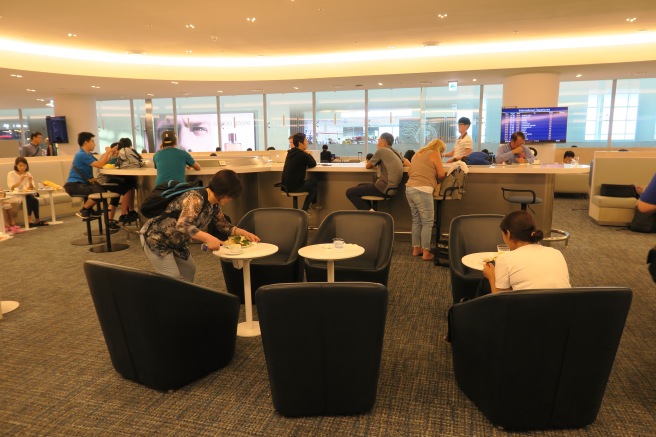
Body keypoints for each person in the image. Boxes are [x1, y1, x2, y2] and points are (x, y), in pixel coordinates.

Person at [140, 169, 260, 282]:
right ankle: (167, 301)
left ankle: (181, 300)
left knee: (189, 270)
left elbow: (224, 225)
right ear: (225, 192)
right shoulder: (195, 198)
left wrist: (244, 233)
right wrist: (209, 238)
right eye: (231, 196)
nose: (231, 199)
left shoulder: (214, 205)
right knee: (172, 277)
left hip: (177, 241)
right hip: (156, 238)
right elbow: (183, 225)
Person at [482, 210, 570, 294]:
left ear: (508, 234)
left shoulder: (505, 259)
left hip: (529, 308)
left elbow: (499, 301)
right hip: (565, 307)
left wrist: (491, 276)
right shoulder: (556, 253)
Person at [63, 132, 119, 220]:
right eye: (92, 141)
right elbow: (100, 165)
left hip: (82, 184)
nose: (94, 144)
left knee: (102, 188)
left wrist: (110, 153)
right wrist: (107, 152)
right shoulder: (80, 154)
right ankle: (84, 210)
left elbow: (103, 163)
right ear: (86, 142)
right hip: (74, 185)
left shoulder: (88, 154)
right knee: (100, 191)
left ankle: (89, 210)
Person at [405, 139, 446, 261]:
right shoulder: (434, 153)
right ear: (439, 149)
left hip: (409, 188)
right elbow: (441, 173)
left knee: (416, 221)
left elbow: (410, 173)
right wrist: (436, 181)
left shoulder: (418, 153)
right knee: (427, 222)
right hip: (423, 189)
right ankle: (426, 252)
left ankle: (416, 249)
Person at [346, 132, 408, 210]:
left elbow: (368, 166)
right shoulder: (396, 152)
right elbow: (408, 163)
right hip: (392, 189)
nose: (377, 144)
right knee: (360, 186)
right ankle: (370, 210)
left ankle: (371, 215)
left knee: (349, 192)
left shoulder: (381, 150)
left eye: (378, 141)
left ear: (384, 142)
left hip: (383, 188)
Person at [280, 132, 319, 211]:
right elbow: (313, 164)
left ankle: (308, 208)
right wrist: (308, 153)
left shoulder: (290, 152)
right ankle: (306, 209)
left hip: (285, 186)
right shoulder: (302, 154)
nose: (307, 143)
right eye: (306, 141)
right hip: (294, 187)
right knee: (314, 181)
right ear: (300, 143)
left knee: (313, 188)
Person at [7, 157, 47, 227]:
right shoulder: (11, 174)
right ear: (16, 165)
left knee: (35, 200)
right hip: (16, 196)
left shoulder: (28, 174)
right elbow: (11, 187)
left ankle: (37, 219)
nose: (22, 167)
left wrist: (30, 181)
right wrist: (20, 180)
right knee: (30, 198)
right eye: (20, 165)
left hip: (27, 195)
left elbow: (32, 188)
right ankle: (29, 219)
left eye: (24, 166)